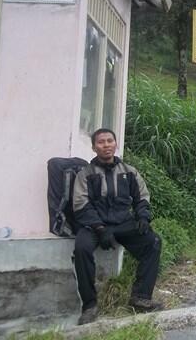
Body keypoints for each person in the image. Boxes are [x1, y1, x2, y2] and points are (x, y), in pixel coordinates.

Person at [72, 128, 162, 325]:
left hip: (123, 223)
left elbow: (142, 198)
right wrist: (100, 229)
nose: (106, 145)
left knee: (153, 242)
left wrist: (143, 218)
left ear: (116, 143)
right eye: (101, 142)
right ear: (94, 147)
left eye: (110, 141)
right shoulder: (85, 175)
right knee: (81, 248)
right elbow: (81, 205)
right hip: (94, 226)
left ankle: (140, 297)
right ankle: (89, 306)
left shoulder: (129, 172)